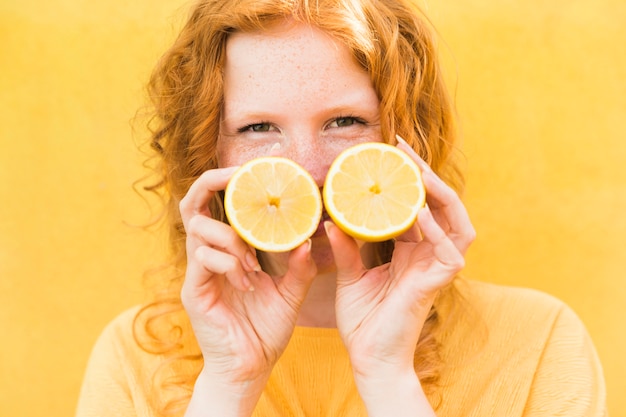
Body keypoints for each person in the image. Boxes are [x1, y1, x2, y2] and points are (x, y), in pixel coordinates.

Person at [75, 0, 607, 416]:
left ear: (407, 135)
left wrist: (388, 377)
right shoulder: (136, 358)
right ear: (208, 152)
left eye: (345, 122)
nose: (309, 168)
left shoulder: (537, 342)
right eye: (258, 129)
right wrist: (228, 385)